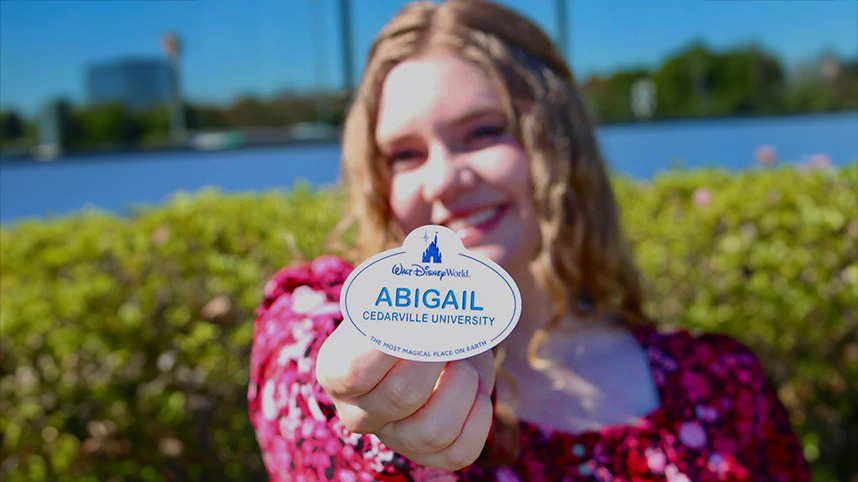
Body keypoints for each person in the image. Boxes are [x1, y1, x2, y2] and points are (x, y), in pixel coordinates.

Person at [248, 1, 812, 480]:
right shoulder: (314, 311)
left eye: (484, 131)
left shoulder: (721, 383)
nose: (443, 179)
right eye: (404, 154)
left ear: (558, 144)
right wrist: (370, 415)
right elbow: (312, 400)